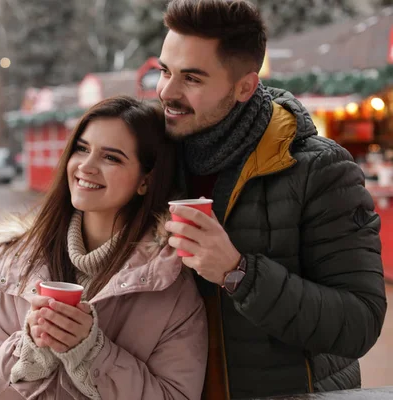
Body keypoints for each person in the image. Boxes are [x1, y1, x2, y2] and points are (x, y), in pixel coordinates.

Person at [157, 0, 388, 398]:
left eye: (191, 78)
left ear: (245, 86)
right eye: (164, 71)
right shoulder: (152, 156)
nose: (167, 92)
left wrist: (238, 273)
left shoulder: (320, 171)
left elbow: (360, 323)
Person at [0, 96, 208, 400]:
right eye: (82, 149)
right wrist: (27, 351)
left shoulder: (168, 283)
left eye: (112, 158)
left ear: (146, 180)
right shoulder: (21, 260)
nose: (87, 166)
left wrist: (92, 353)